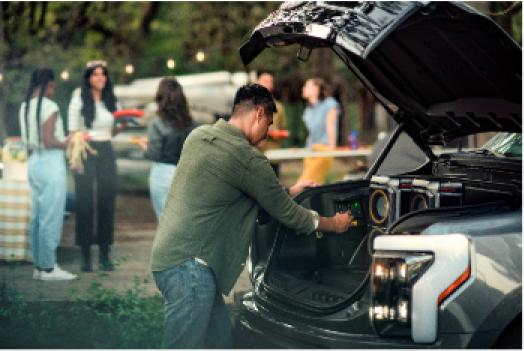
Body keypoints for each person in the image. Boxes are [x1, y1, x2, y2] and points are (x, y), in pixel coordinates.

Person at [150, 83, 354, 348]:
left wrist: (289, 190)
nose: (266, 135)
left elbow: (230, 190)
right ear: (259, 114)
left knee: (220, 341)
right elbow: (290, 215)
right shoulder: (247, 159)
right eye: (268, 125)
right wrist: (334, 224)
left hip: (169, 258)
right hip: (190, 269)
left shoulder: (199, 137)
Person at [67, 60, 127, 272]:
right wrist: (74, 160)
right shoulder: (78, 98)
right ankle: (85, 255)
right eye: (95, 74)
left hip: (106, 150)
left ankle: (104, 253)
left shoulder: (111, 99)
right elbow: (73, 132)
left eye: (103, 74)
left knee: (106, 201)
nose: (100, 78)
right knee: (84, 202)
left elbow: (112, 131)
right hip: (84, 150)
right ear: (88, 78)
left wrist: (124, 125)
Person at [19, 68, 77, 281]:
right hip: (50, 162)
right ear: (47, 85)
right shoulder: (50, 106)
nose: (53, 91)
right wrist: (68, 142)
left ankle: (39, 266)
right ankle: (49, 268)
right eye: (52, 86)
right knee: (50, 217)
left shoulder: (25, 106)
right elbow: (49, 140)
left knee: (37, 217)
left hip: (34, 162)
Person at [139, 78, 197, 220]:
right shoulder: (194, 124)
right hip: (187, 174)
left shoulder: (157, 124)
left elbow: (154, 153)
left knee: (165, 223)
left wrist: (144, 147)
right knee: (184, 221)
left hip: (163, 174)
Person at [298, 78, 341, 184]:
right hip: (311, 150)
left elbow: (330, 126)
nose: (303, 88)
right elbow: (311, 133)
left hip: (323, 149)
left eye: (307, 86)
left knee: (304, 183)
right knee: (316, 184)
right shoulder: (308, 110)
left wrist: (332, 147)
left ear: (316, 89)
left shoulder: (329, 104)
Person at [255, 70, 287, 178]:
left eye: (270, 82)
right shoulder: (247, 106)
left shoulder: (279, 107)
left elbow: (283, 131)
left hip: (273, 157)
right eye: (265, 81)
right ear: (257, 82)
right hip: (253, 157)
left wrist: (276, 134)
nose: (268, 84)